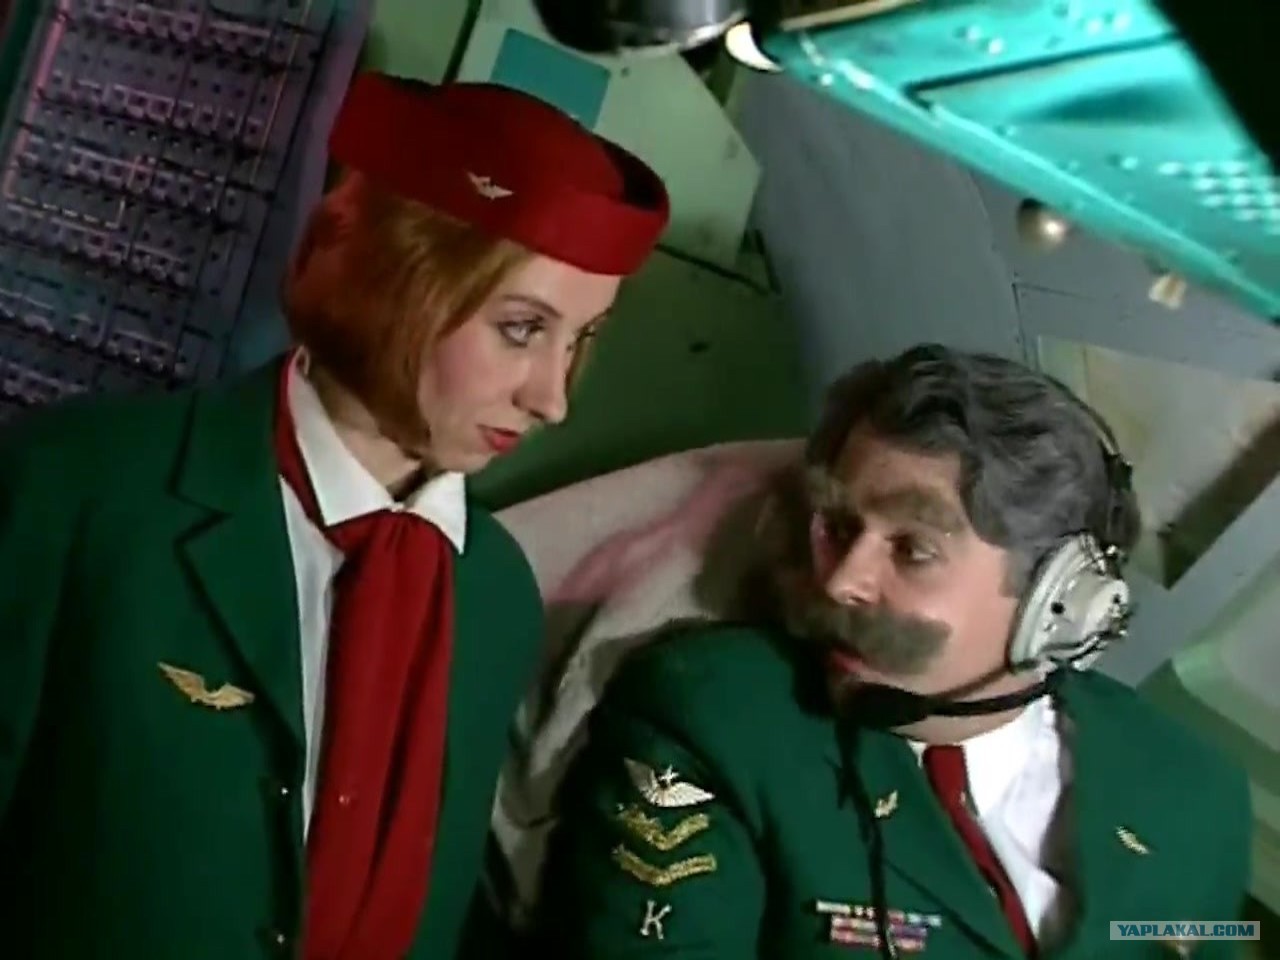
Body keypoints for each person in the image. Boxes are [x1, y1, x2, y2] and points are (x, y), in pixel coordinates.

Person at [0, 70, 668, 960]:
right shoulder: (79, 492)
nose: (553, 398)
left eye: (581, 340)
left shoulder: (495, 592)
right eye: (521, 328)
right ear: (393, 279)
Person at [536, 345, 1252, 959]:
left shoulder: (1193, 795)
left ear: (1061, 603)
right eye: (839, 528)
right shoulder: (716, 717)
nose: (841, 582)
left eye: (912, 549)